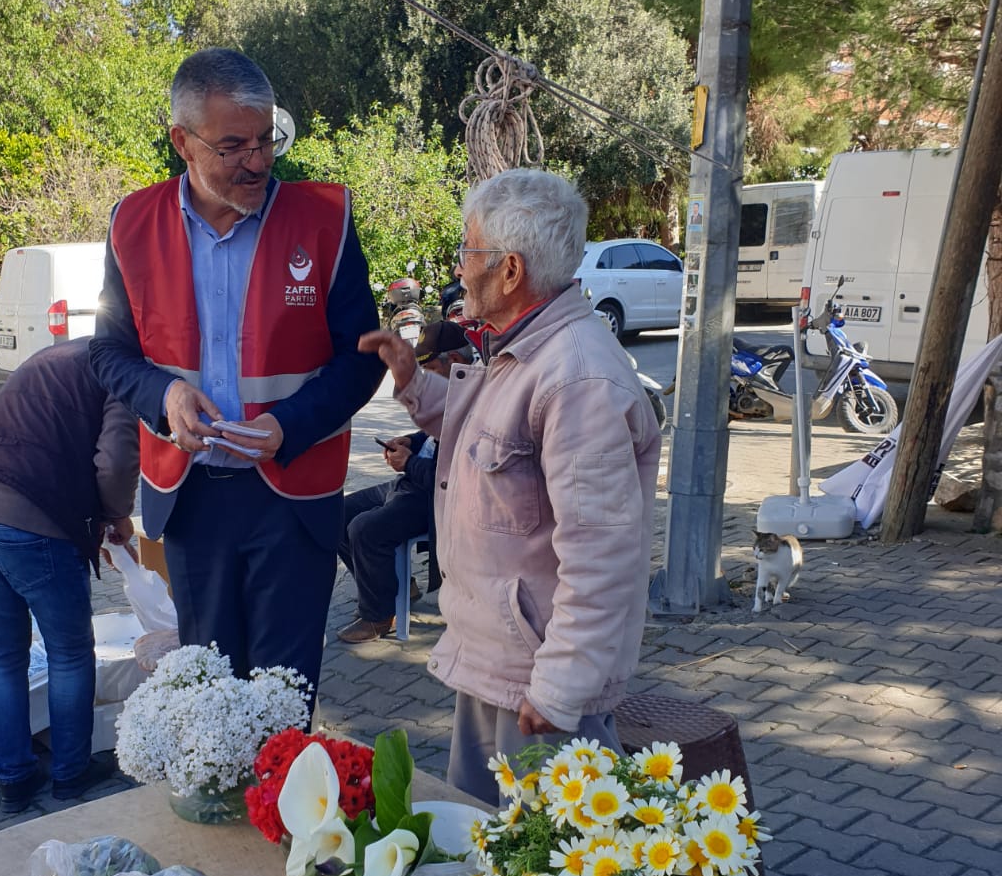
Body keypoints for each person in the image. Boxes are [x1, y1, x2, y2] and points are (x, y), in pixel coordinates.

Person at [89, 48, 382, 703]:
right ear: (182, 143)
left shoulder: (324, 221)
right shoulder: (131, 225)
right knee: (211, 693)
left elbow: (362, 356)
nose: (257, 162)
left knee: (283, 697)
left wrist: (290, 423)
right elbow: (108, 353)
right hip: (191, 500)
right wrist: (164, 394)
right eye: (232, 147)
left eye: (265, 140)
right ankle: (224, 807)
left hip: (293, 497)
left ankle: (283, 805)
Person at [359, 169, 661, 801]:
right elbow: (487, 439)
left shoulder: (576, 379)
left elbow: (603, 555)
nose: (461, 269)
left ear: (511, 271)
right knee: (482, 851)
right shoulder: (526, 347)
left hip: (537, 683)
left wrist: (562, 686)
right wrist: (415, 381)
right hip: (496, 661)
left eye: (469, 253)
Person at [0, 338, 138, 812]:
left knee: (1, 651)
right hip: (32, 523)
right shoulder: (121, 370)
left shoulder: (52, 357)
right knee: (70, 652)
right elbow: (114, 460)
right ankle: (71, 773)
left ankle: (13, 778)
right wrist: (116, 515)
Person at [336, 320, 474, 643]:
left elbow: (449, 478)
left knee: (363, 529)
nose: (423, 377)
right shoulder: (450, 388)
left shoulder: (473, 399)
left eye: (429, 367)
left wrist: (408, 463)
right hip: (412, 480)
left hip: (431, 497)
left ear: (454, 360)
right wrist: (411, 442)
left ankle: (379, 616)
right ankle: (394, 589)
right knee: (339, 514)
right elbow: (430, 434)